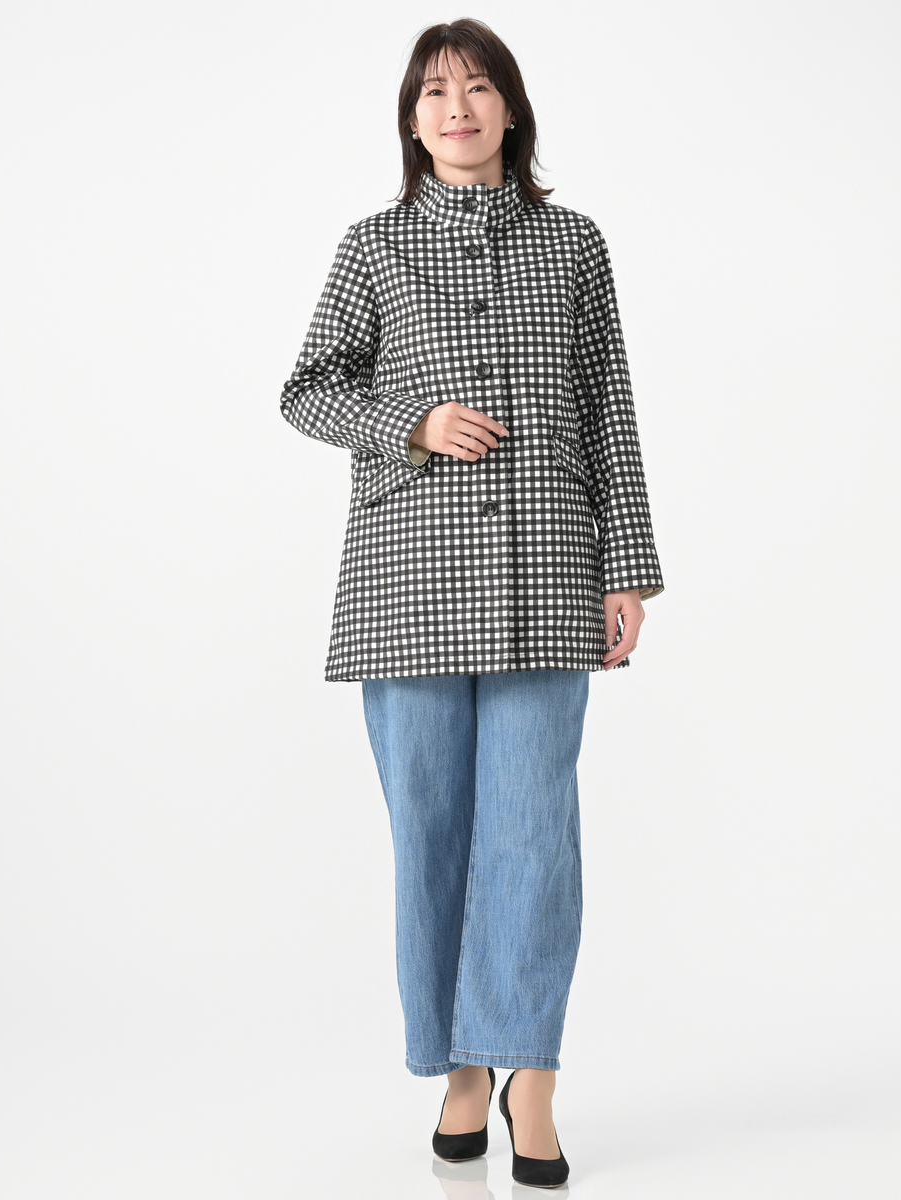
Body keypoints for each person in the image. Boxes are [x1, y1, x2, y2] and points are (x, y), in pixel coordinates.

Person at [279, 19, 664, 1189]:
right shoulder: (372, 247)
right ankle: (458, 1066)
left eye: (479, 87)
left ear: (511, 108)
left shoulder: (575, 243)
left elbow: (609, 404)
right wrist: (412, 423)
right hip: (406, 581)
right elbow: (306, 389)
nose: (458, 108)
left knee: (535, 837)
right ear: (412, 120)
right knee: (432, 831)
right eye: (435, 93)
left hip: (549, 572)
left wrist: (627, 566)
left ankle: (528, 1073)